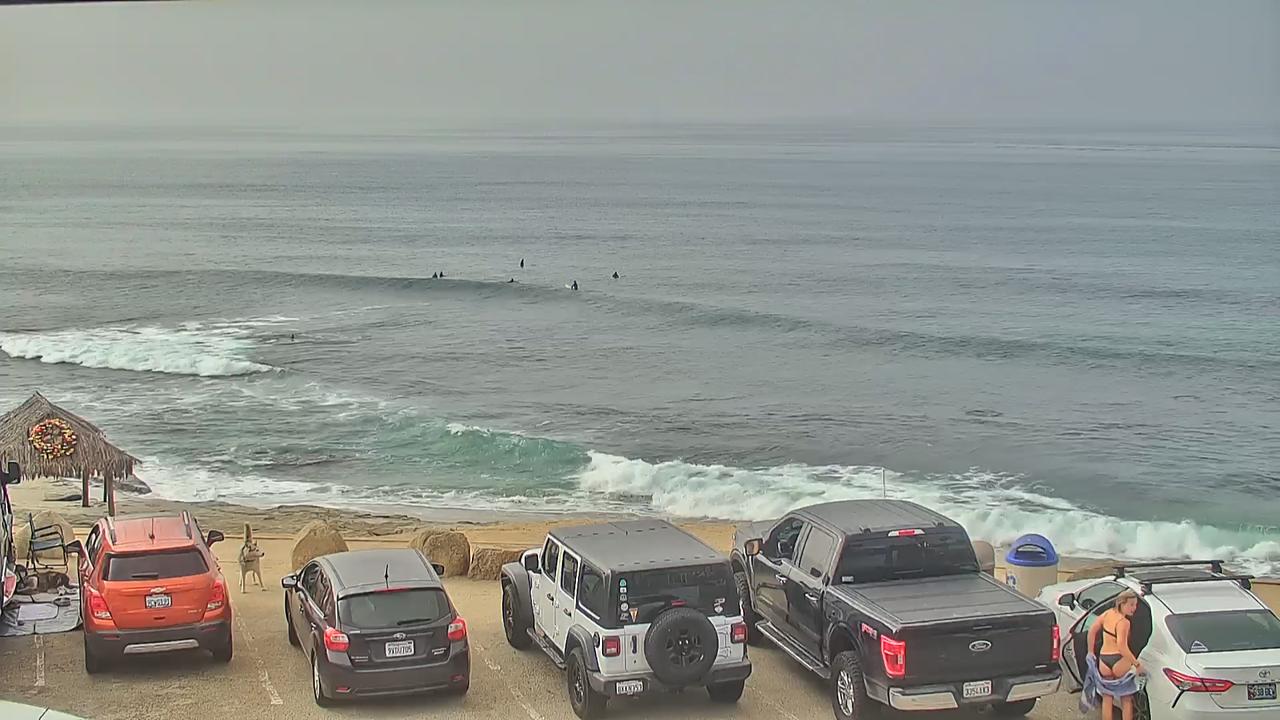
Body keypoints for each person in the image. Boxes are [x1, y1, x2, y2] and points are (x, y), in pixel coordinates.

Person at [1088, 590, 1144, 720]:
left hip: (1104, 660)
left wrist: (1090, 651)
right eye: (1131, 605)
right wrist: (1137, 664)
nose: (1134, 608)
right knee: (1126, 698)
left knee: (1107, 697)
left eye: (1135, 605)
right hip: (1119, 661)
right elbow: (1122, 647)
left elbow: (1092, 630)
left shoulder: (1107, 614)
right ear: (1122, 603)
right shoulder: (1124, 622)